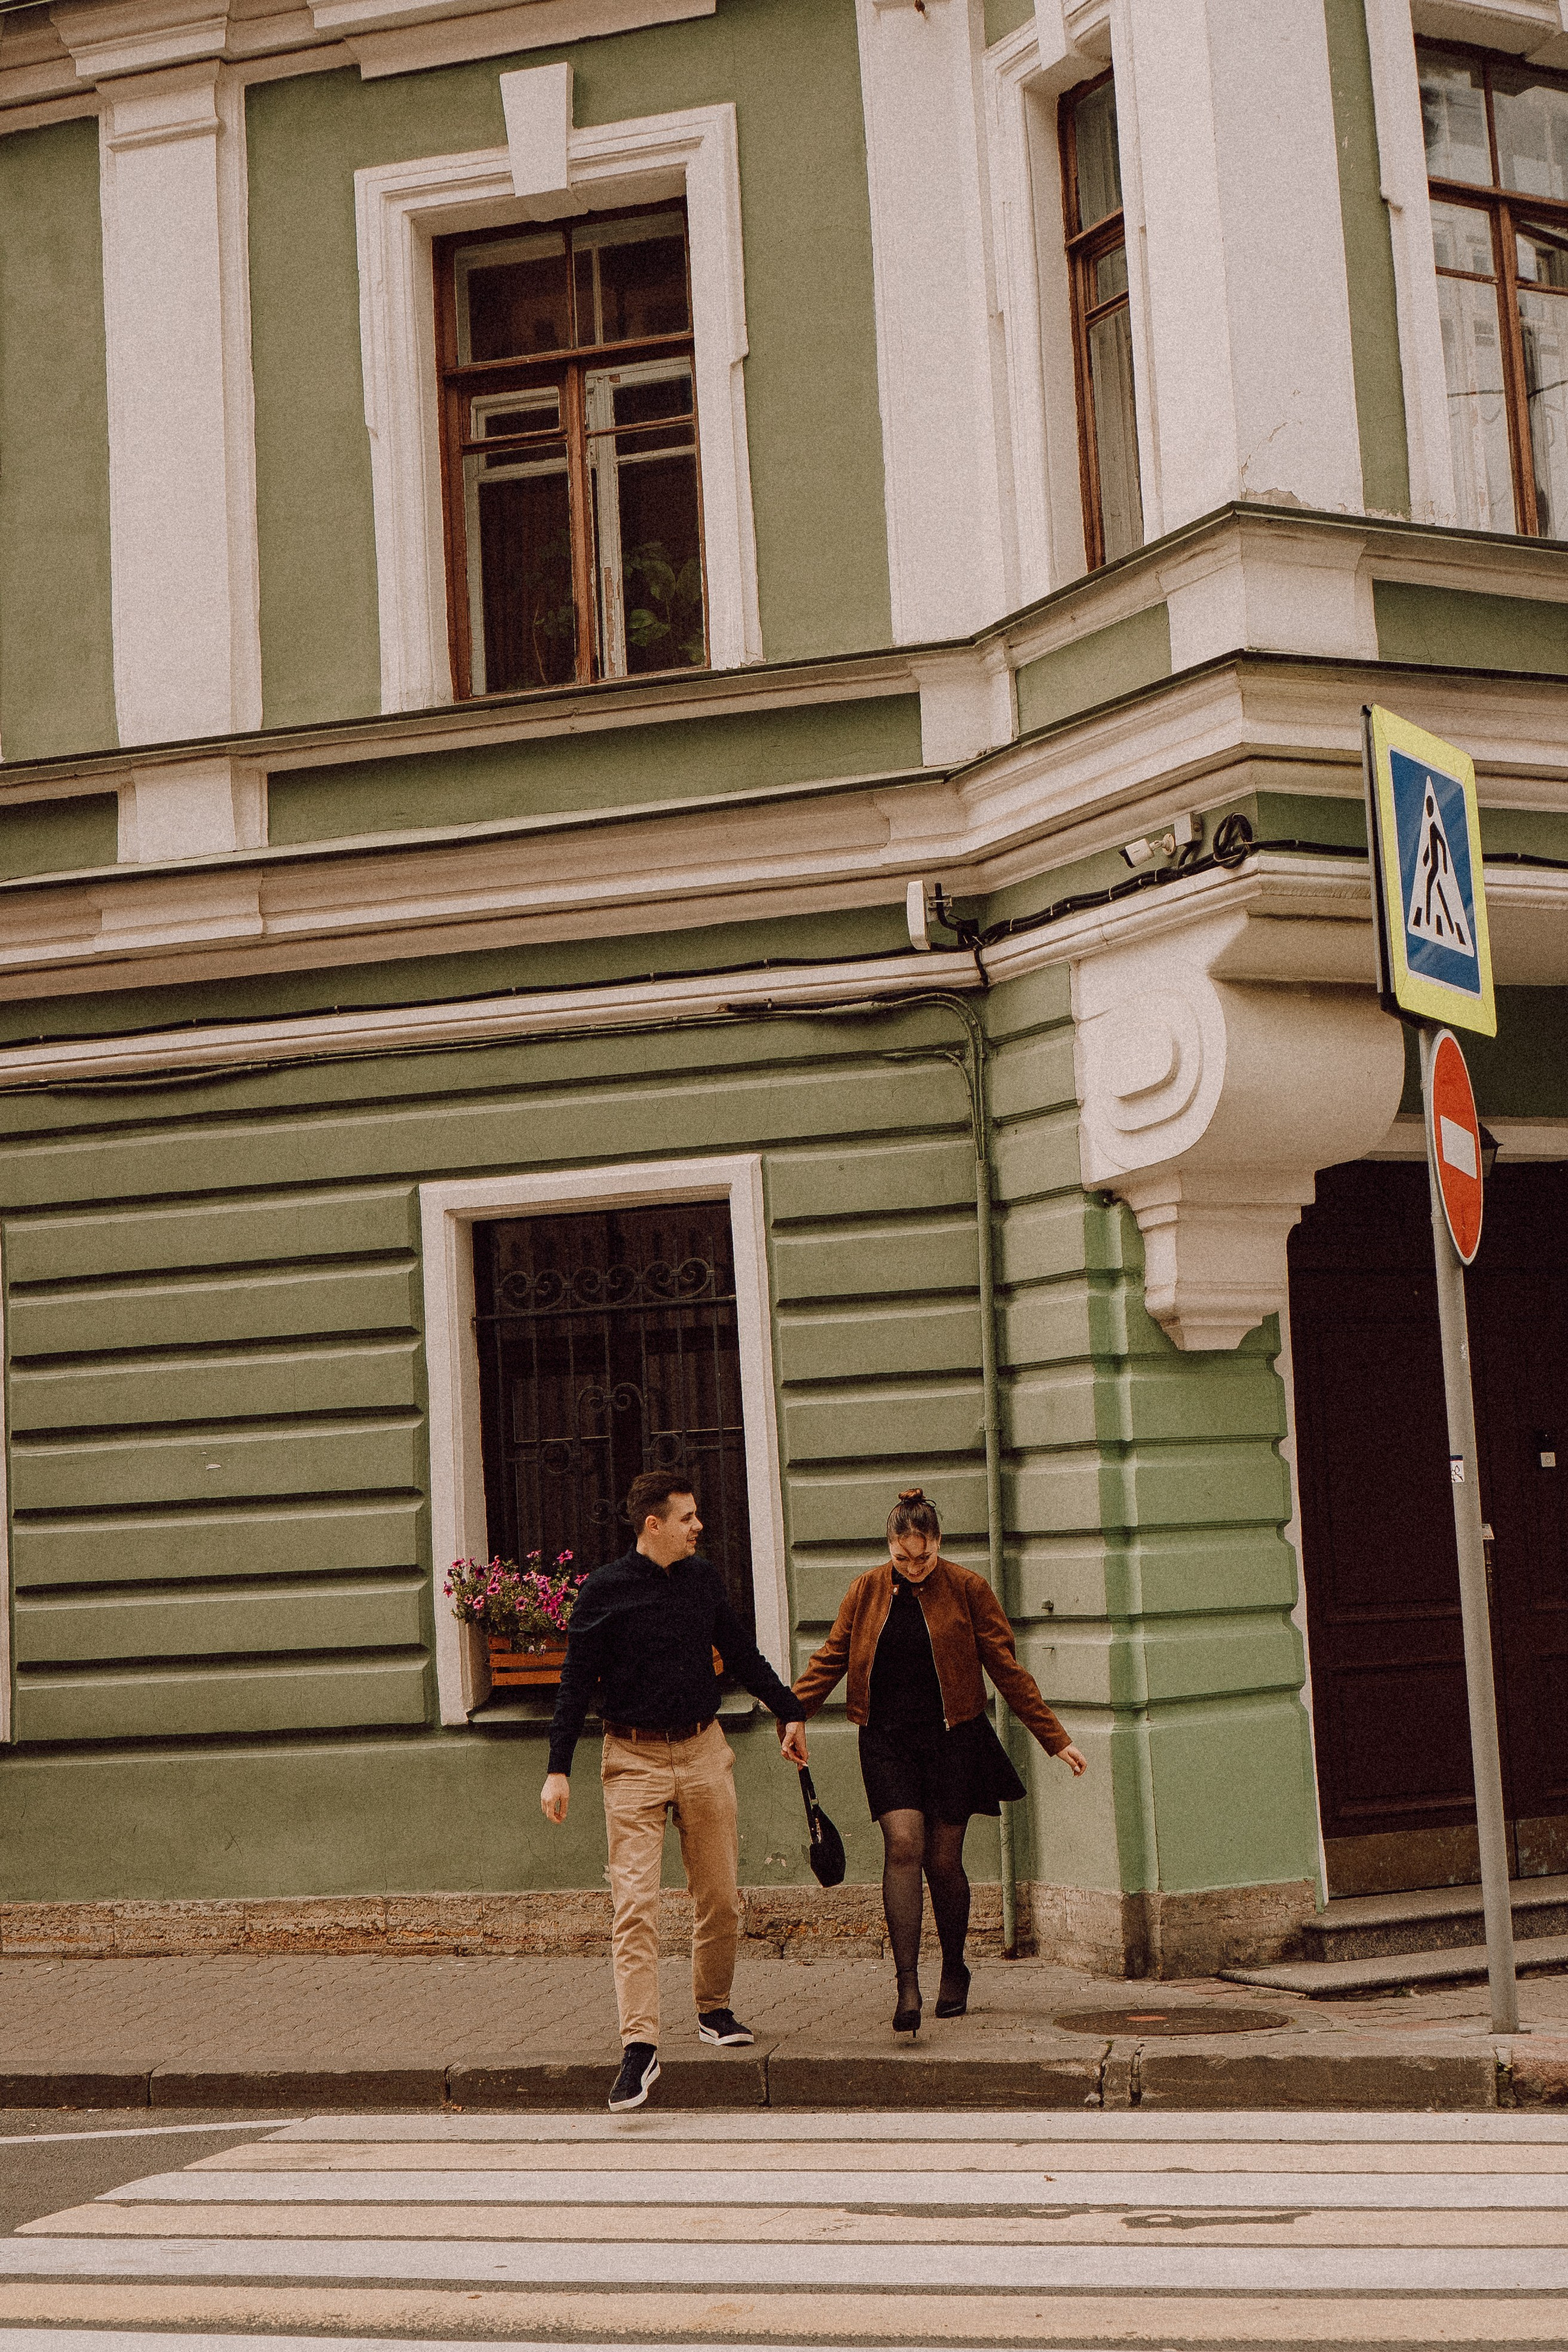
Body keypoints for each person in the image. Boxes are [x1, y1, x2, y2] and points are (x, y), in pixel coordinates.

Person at [541, 1468, 809, 2113]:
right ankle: (639, 2047)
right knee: (634, 1905)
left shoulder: (703, 1580)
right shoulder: (604, 1592)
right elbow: (575, 1683)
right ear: (653, 1525)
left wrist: (789, 1709)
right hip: (630, 1759)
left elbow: (741, 1654)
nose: (699, 1526)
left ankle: (713, 2010)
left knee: (718, 1895)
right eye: (687, 1517)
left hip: (701, 1751)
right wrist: (557, 1769)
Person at [791, 1488, 1087, 2035]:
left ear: (938, 1544)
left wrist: (1055, 1738)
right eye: (902, 1558)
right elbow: (832, 1656)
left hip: (955, 1738)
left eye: (922, 1557)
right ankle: (907, 1985)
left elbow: (1005, 1669)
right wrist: (793, 1712)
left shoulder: (968, 1588)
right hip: (885, 1740)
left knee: (943, 1862)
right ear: (890, 1548)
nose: (913, 1567)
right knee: (904, 1844)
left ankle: (955, 1967)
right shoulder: (867, 1590)